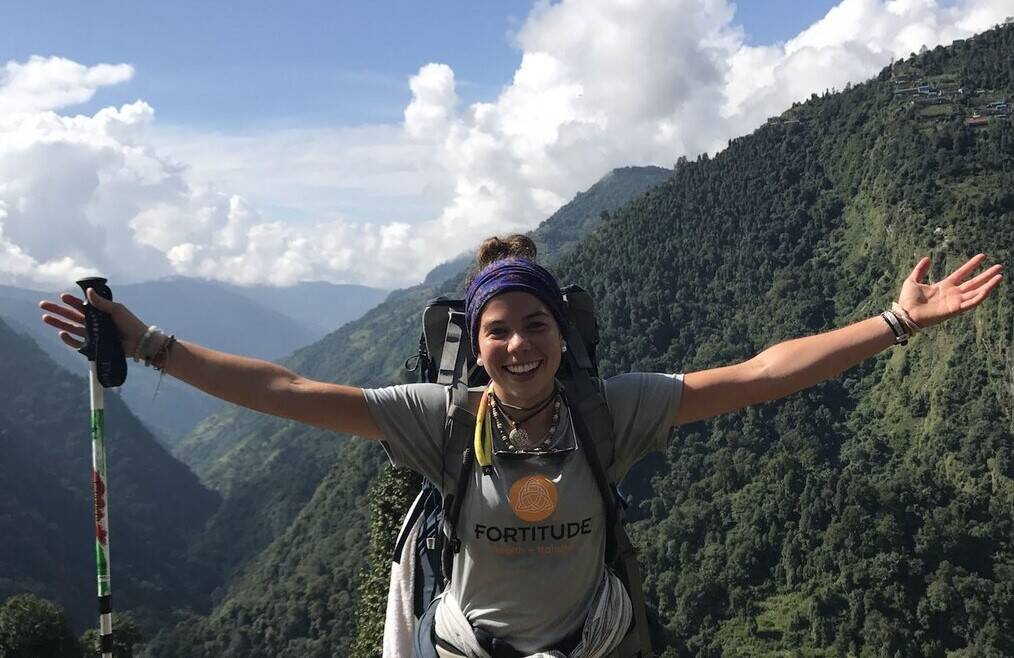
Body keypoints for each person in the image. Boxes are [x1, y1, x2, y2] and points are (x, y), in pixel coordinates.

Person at [39, 235, 1002, 657]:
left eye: (533, 324)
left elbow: (756, 373)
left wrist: (894, 322)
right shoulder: (442, 420)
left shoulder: (608, 411)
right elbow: (289, 391)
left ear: (561, 334)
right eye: (498, 328)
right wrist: (151, 344)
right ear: (477, 341)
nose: (517, 343)